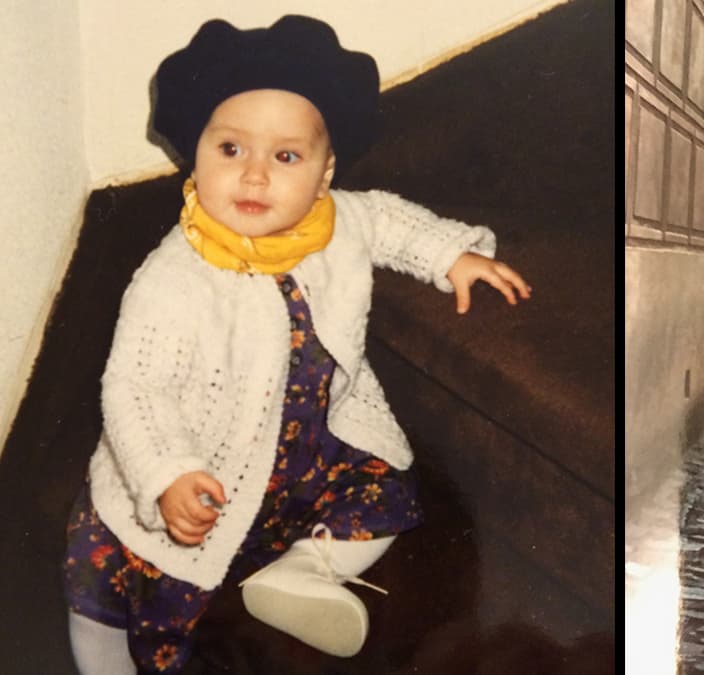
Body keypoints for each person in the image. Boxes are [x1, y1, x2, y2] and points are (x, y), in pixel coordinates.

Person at [61, 16, 532, 675]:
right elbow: (135, 388)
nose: (255, 176)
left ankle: (304, 568)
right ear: (196, 152)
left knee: (386, 495)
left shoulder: (339, 220)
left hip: (311, 447)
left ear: (323, 170)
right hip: (204, 462)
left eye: (285, 156)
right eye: (231, 150)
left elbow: (393, 222)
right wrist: (166, 473)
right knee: (123, 585)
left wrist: (452, 255)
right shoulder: (175, 276)